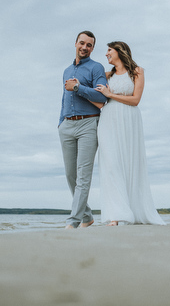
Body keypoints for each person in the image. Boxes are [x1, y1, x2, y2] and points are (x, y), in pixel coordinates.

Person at [94, 41, 165, 226]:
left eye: (109, 50)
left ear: (119, 51)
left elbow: (135, 100)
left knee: (130, 163)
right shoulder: (106, 75)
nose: (106, 54)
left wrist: (111, 95)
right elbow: (97, 96)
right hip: (108, 120)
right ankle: (116, 215)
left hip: (130, 119)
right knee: (111, 164)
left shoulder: (137, 71)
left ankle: (133, 210)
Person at [58, 31, 108, 229]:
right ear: (76, 44)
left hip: (88, 124)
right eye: (82, 43)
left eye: (89, 45)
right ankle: (87, 216)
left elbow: (102, 98)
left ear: (92, 48)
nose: (84, 47)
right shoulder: (66, 70)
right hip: (66, 125)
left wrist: (78, 88)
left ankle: (73, 222)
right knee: (71, 175)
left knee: (83, 175)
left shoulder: (97, 68)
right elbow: (64, 99)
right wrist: (60, 122)